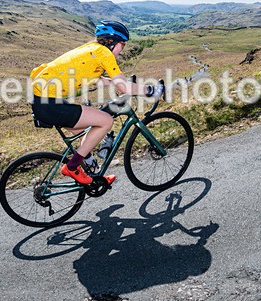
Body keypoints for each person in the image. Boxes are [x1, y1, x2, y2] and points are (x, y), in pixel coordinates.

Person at [30, 20, 162, 186]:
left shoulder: (90, 49)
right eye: (123, 44)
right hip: (51, 104)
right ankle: (72, 167)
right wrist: (151, 91)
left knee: (82, 132)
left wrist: (122, 83)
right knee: (106, 121)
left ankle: (93, 174)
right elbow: (123, 87)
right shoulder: (104, 53)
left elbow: (97, 80)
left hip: (41, 101)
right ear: (113, 42)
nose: (123, 49)